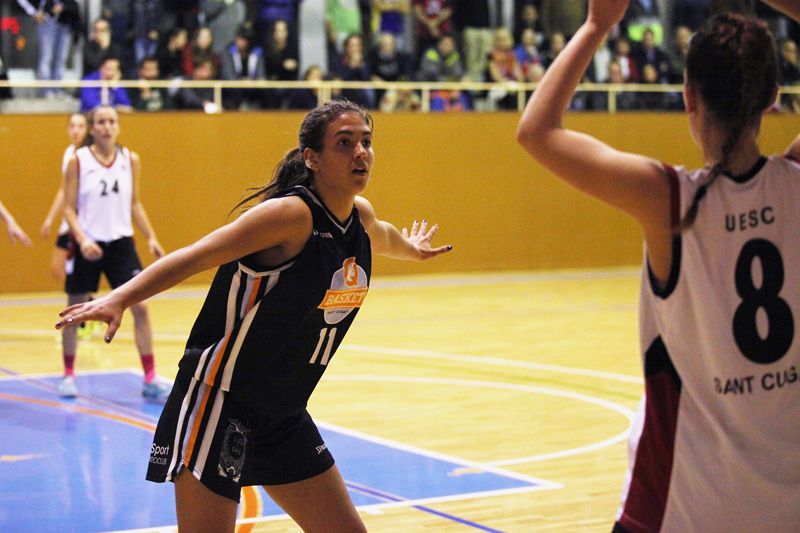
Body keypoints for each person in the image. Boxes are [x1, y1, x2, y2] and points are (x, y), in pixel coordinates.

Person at [56, 99, 452, 532]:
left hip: (284, 412)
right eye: (344, 143)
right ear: (312, 158)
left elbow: (383, 236)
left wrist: (413, 249)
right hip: (220, 402)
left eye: (366, 142)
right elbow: (196, 255)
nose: (360, 153)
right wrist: (120, 298)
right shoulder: (289, 216)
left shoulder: (359, 216)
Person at [516, 0, 800, 530]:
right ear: (772, 98)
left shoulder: (669, 201)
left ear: (689, 98)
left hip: (685, 507)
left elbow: (536, 131)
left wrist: (596, 26)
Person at [57, 105, 166, 399]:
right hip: (88, 244)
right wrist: (82, 240)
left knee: (140, 307)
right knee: (75, 308)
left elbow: (135, 203)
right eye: (101, 122)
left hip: (120, 243)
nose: (107, 126)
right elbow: (68, 208)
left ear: (118, 126)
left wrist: (151, 237)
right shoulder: (78, 161)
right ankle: (68, 374)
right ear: (93, 128)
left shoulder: (130, 159)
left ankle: (150, 376)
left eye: (112, 122)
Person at [40, 112, 89, 283]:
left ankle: (88, 304)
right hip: (68, 221)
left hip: (85, 221)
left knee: (76, 272)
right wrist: (50, 219)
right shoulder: (69, 153)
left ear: (88, 129)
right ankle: (88, 303)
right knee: (58, 269)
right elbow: (63, 189)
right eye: (72, 126)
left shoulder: (90, 155)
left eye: (80, 126)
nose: (76, 130)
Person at [16, 0, 82, 98]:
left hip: (65, 23)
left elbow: (75, 4)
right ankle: (45, 91)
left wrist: (63, 6)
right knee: (46, 58)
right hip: (47, 22)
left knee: (61, 59)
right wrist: (33, 12)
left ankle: (56, 90)